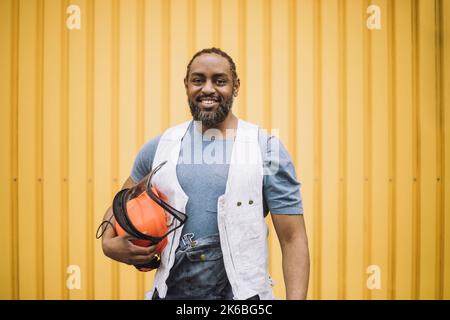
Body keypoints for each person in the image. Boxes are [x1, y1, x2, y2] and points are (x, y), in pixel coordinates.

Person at [100, 47, 310, 300]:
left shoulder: (266, 149)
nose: (208, 89)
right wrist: (109, 245)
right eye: (198, 80)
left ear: (236, 86)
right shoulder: (159, 147)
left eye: (220, 81)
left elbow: (293, 238)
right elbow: (120, 207)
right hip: (170, 294)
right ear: (186, 85)